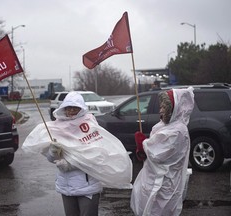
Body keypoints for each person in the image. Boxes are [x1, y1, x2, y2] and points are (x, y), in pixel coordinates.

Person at [22, 91, 132, 216]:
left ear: (81, 109)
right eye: (69, 108)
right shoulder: (57, 127)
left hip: (87, 186)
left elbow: (96, 155)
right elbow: (52, 159)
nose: (72, 111)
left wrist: (70, 164)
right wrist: (53, 152)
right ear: (64, 109)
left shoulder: (90, 125)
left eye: (75, 108)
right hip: (66, 186)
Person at [130, 87, 194, 216]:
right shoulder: (165, 125)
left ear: (173, 109)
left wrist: (143, 144)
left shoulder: (178, 131)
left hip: (165, 182)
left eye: (164, 107)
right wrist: (143, 150)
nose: (160, 110)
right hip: (153, 177)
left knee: (159, 210)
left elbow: (159, 154)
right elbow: (153, 149)